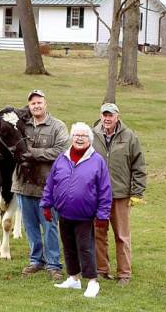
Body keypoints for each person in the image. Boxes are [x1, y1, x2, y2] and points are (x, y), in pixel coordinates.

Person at [41, 122, 112, 298]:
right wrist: (46, 204)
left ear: (90, 139)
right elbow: (51, 183)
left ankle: (92, 282)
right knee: (69, 247)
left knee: (85, 248)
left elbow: (105, 190)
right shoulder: (62, 158)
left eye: (83, 136)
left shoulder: (97, 161)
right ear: (71, 138)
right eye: (76, 135)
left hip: (85, 215)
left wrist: (103, 215)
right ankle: (74, 278)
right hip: (64, 212)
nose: (79, 138)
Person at [12, 89, 70, 281]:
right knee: (30, 226)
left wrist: (33, 153)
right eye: (32, 103)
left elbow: (61, 150)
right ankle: (36, 260)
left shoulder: (57, 126)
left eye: (39, 102)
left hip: (49, 187)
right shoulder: (22, 126)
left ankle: (53, 264)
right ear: (28, 106)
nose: (36, 106)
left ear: (46, 104)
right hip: (23, 184)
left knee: (50, 225)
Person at [92, 102, 146, 287]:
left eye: (111, 115)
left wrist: (137, 192)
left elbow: (139, 166)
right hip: (97, 196)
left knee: (122, 235)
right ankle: (101, 270)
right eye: (104, 115)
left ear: (117, 116)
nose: (107, 119)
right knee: (98, 233)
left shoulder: (129, 136)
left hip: (120, 195)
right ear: (100, 116)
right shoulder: (92, 135)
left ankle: (124, 274)